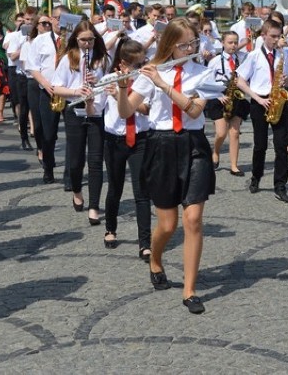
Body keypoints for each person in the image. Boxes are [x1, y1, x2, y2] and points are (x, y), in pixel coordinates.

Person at [116, 18, 215, 314]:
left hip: (194, 144)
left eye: (193, 43)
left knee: (193, 219)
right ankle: (155, 259)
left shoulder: (204, 72)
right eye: (184, 44)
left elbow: (194, 109)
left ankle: (189, 289)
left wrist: (163, 85)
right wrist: (122, 88)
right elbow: (125, 111)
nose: (190, 48)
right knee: (168, 225)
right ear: (169, 46)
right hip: (161, 144)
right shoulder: (151, 72)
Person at [51, 19, 108, 225]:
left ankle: (94, 206)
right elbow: (56, 87)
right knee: (75, 162)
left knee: (95, 161)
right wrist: (76, 91)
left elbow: (111, 83)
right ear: (76, 39)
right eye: (83, 40)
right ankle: (76, 189)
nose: (87, 44)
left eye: (91, 40)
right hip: (75, 109)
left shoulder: (102, 59)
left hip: (96, 111)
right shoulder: (69, 58)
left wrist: (98, 82)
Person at [102, 37, 153, 259]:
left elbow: (146, 109)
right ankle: (110, 228)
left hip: (140, 139)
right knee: (115, 187)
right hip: (114, 140)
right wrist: (87, 99)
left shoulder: (145, 81)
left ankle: (145, 242)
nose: (142, 67)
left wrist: (121, 95)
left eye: (144, 62)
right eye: (138, 64)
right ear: (123, 63)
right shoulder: (108, 80)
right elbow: (94, 111)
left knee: (142, 191)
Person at [234, 18, 288, 203]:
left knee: (281, 146)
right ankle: (256, 177)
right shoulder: (253, 56)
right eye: (273, 37)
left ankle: (280, 185)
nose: (277, 40)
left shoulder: (282, 55)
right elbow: (239, 81)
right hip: (260, 102)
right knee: (260, 145)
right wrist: (258, 98)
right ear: (264, 35)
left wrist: (286, 81)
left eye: (278, 37)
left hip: (278, 102)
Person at [28, 6, 70, 184]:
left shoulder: (73, 39)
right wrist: (45, 84)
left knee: (73, 135)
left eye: (64, 18)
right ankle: (48, 167)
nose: (60, 22)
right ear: (52, 19)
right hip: (48, 91)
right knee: (48, 133)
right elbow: (33, 67)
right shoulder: (40, 40)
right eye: (57, 18)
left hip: (70, 93)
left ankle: (70, 174)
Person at [206, 31, 249, 176]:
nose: (234, 45)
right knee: (221, 133)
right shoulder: (215, 61)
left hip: (236, 96)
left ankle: (234, 166)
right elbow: (208, 82)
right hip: (219, 96)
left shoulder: (243, 58)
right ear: (223, 43)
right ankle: (216, 151)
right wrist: (218, 96)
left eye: (236, 42)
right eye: (230, 42)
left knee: (235, 132)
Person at [23, 13, 52, 169]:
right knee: (38, 122)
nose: (47, 26)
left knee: (50, 126)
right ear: (37, 26)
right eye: (43, 23)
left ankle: (49, 156)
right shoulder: (30, 42)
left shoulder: (58, 41)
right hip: (34, 83)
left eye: (49, 23)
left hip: (51, 85)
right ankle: (40, 148)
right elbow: (27, 64)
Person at [6, 7, 37, 151]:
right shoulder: (16, 36)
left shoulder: (40, 35)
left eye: (32, 20)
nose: (29, 22)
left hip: (37, 76)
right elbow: (11, 56)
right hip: (22, 75)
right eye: (27, 19)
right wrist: (25, 44)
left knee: (37, 109)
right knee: (24, 108)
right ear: (23, 20)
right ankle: (24, 137)